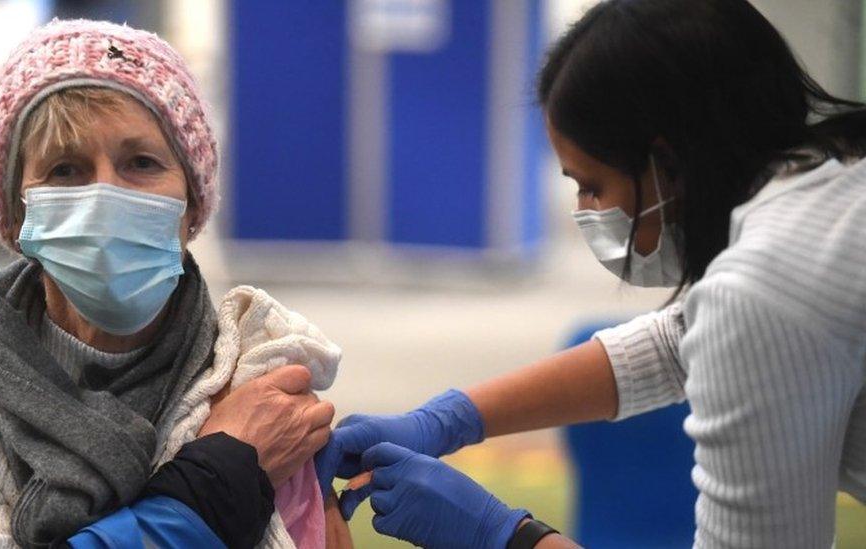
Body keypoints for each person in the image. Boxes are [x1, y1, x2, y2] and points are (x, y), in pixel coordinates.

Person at [316, 0, 866, 547]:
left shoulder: (765, 290)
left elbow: (738, 321)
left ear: (666, 163)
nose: (587, 210)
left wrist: (502, 534)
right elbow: (686, 338)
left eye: (592, 185)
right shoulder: (835, 188)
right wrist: (447, 419)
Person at [0, 19, 352, 549]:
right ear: (17, 217)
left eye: (141, 163)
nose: (104, 196)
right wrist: (214, 480)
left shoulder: (261, 373)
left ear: (192, 204)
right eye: (65, 170)